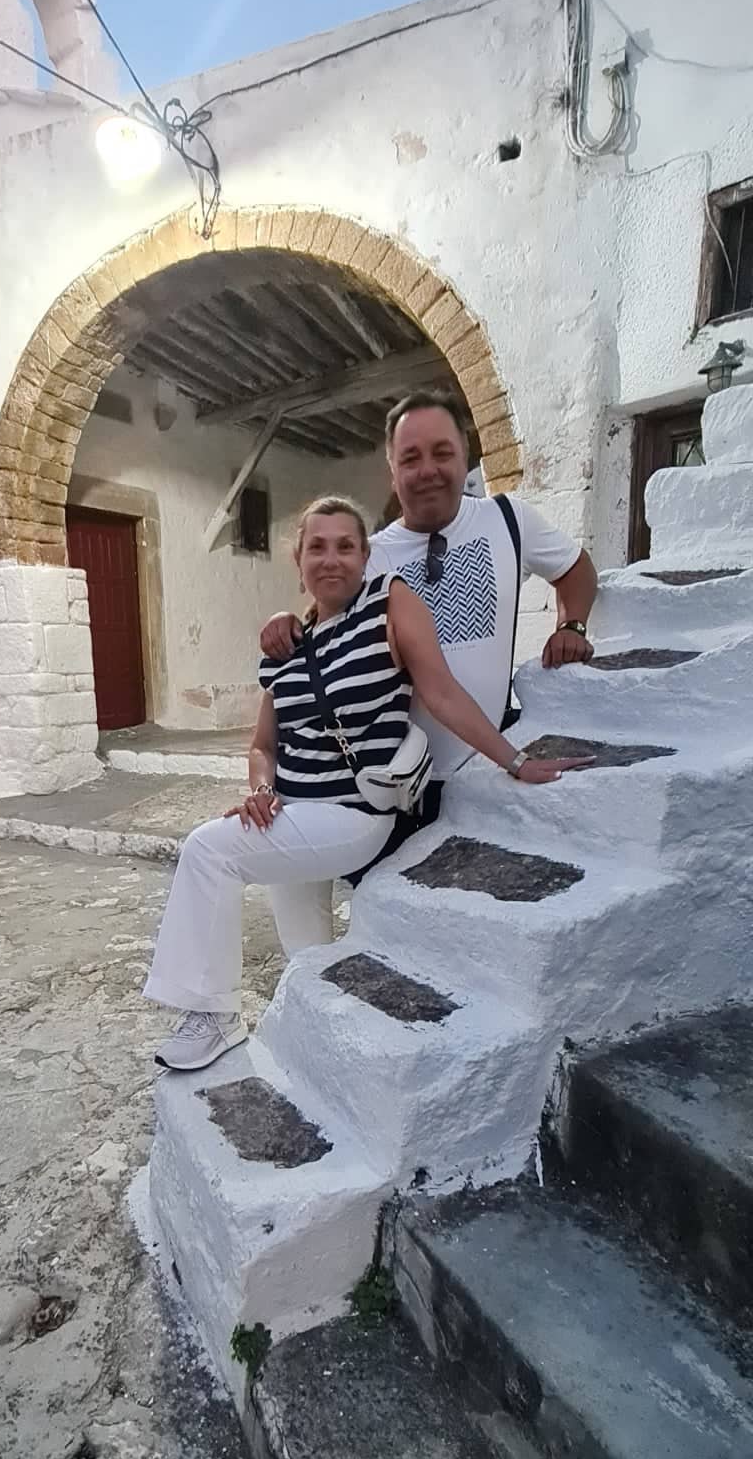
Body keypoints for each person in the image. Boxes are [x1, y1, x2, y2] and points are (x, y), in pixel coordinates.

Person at [145, 496, 592, 1072]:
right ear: (298, 560)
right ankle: (332, 1060)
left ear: (365, 556)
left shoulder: (389, 601)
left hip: (352, 814)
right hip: (290, 815)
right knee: (306, 958)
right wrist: (261, 789)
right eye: (317, 547)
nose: (331, 559)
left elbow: (441, 691)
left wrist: (516, 760)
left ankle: (212, 1015)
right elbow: (263, 746)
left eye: (345, 546)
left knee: (208, 850)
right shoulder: (285, 647)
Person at [261, 391, 599, 793]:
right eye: (410, 459)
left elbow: (576, 569)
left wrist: (571, 626)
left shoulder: (509, 520)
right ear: (392, 471)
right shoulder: (370, 557)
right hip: (394, 785)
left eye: (441, 453)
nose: (427, 471)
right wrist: (286, 623)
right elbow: (323, 627)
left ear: (464, 455)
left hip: (488, 774)